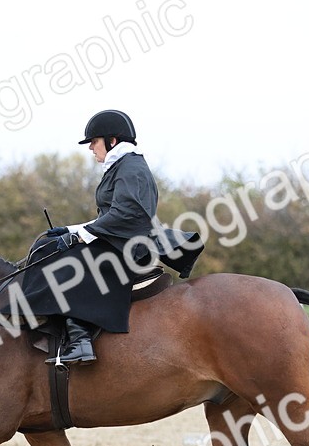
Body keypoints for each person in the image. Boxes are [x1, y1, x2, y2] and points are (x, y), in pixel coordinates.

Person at [21, 109, 203, 364]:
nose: (91, 149)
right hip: (119, 242)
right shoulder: (122, 167)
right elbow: (108, 216)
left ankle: (81, 340)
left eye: (93, 142)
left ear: (112, 141)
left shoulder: (131, 167)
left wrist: (79, 238)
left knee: (69, 264)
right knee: (49, 247)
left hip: (131, 249)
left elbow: (126, 213)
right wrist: (71, 230)